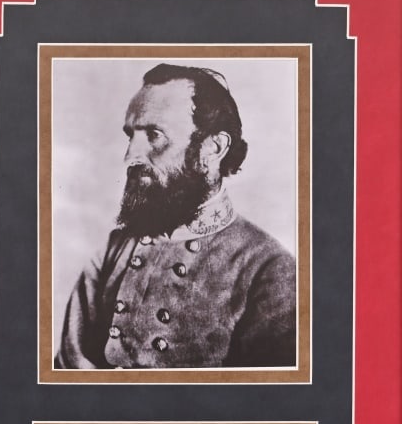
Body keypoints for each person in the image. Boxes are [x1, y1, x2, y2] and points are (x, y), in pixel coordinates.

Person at [56, 63, 296, 370]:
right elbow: (69, 368)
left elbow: (272, 393)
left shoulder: (270, 269)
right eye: (131, 136)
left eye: (154, 135)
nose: (131, 156)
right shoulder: (113, 250)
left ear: (214, 148)